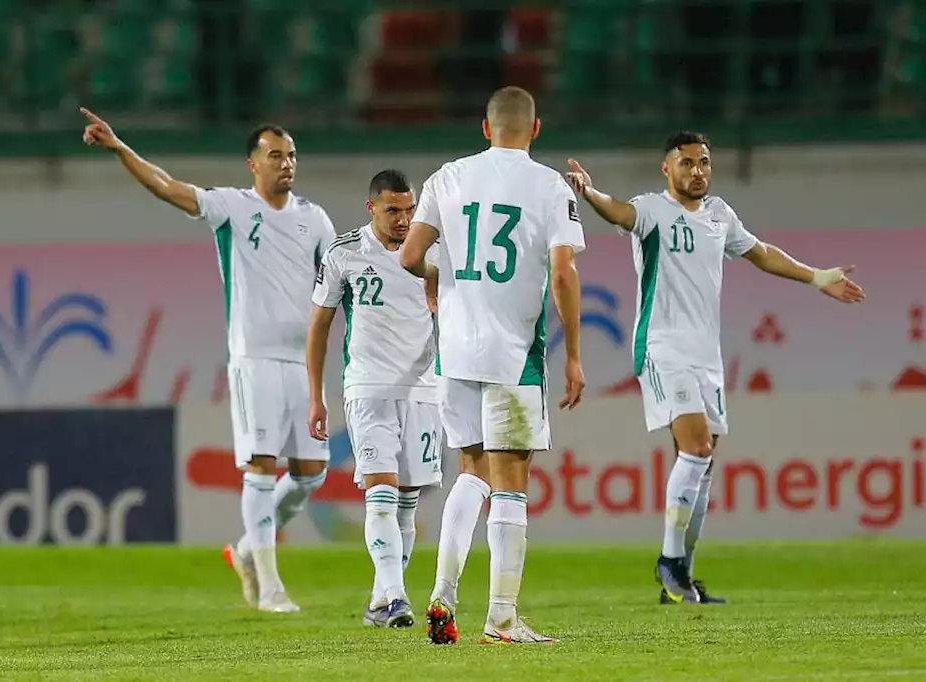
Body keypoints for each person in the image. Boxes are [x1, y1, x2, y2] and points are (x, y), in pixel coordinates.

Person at [563, 131, 866, 604]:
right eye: (687, 163)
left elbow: (761, 253)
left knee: (704, 467)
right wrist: (591, 191)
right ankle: (669, 562)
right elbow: (618, 211)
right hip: (663, 350)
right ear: (668, 168)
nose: (698, 171)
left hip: (707, 358)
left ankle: (680, 576)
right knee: (698, 448)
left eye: (704, 162)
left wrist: (818, 277)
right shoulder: (653, 211)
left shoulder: (720, 215)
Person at [80, 108, 337, 613]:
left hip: (302, 361)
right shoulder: (232, 208)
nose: (286, 164)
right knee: (261, 469)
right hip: (254, 357)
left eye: (291, 156)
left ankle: (244, 550)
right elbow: (166, 186)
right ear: (252, 164)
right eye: (275, 155)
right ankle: (269, 586)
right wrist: (118, 147)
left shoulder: (315, 217)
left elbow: (337, 282)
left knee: (311, 473)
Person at [400, 86, 587, 645]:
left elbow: (410, 255)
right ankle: (502, 617)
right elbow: (562, 274)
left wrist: (440, 280)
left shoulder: (447, 177)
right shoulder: (549, 185)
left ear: (485, 128)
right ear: (535, 130)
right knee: (510, 485)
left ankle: (442, 593)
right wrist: (574, 353)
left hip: (455, 350)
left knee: (471, 472)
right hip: (513, 354)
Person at [306, 169, 442, 629]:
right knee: (380, 494)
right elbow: (319, 327)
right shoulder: (344, 253)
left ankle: (379, 601)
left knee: (406, 502)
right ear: (372, 208)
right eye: (393, 211)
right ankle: (399, 598)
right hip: (368, 388)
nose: (404, 220)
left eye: (410, 210)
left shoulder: (432, 249)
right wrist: (317, 397)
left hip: (424, 389)